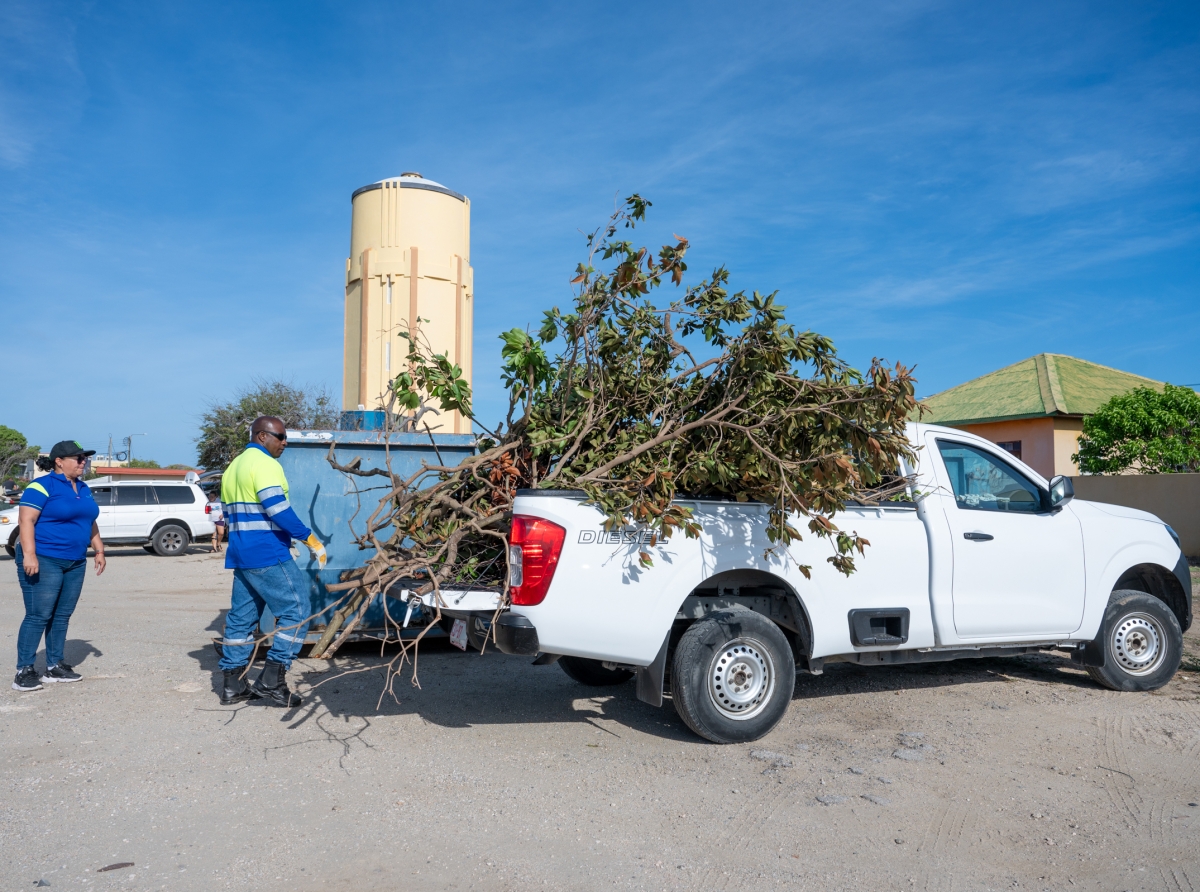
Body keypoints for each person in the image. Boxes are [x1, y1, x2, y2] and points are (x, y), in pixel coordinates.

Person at [217, 416, 326, 707]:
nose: (285, 442)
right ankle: (271, 680)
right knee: (298, 611)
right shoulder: (265, 465)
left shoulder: (233, 467)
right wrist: (308, 538)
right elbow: (277, 508)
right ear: (262, 436)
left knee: (241, 620)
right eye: (280, 436)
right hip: (266, 552)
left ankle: (233, 685)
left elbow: (225, 515)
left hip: (241, 553)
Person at [13, 441, 105, 692]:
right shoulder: (41, 486)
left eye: (84, 458)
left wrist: (99, 549)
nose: (83, 461)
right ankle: (24, 670)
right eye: (78, 458)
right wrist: (29, 555)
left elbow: (90, 520)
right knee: (39, 614)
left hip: (75, 561)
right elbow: (26, 520)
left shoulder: (84, 488)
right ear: (59, 461)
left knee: (62, 615)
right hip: (44, 557)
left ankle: (54, 666)